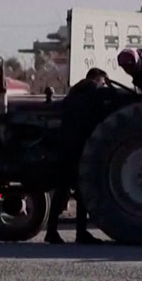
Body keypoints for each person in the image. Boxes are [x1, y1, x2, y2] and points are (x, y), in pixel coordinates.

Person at [47, 68, 110, 245]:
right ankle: (79, 232)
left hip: (66, 144)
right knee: (80, 190)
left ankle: (53, 231)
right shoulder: (92, 91)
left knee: (63, 189)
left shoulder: (75, 92)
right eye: (103, 82)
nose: (103, 85)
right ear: (97, 78)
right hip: (79, 145)